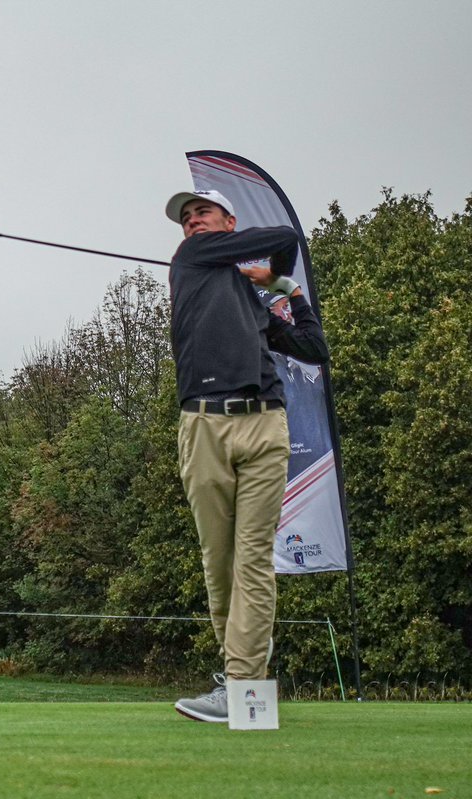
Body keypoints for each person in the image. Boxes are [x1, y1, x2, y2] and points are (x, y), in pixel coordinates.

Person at [164, 189, 301, 723]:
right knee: (219, 562)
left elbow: (311, 344)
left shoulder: (249, 298)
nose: (192, 221)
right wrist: (268, 269)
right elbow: (280, 239)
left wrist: (277, 284)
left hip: (264, 423)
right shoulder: (191, 256)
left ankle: (243, 688)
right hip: (204, 425)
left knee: (253, 559)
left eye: (203, 212)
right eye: (186, 217)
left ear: (229, 220)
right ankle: (242, 673)